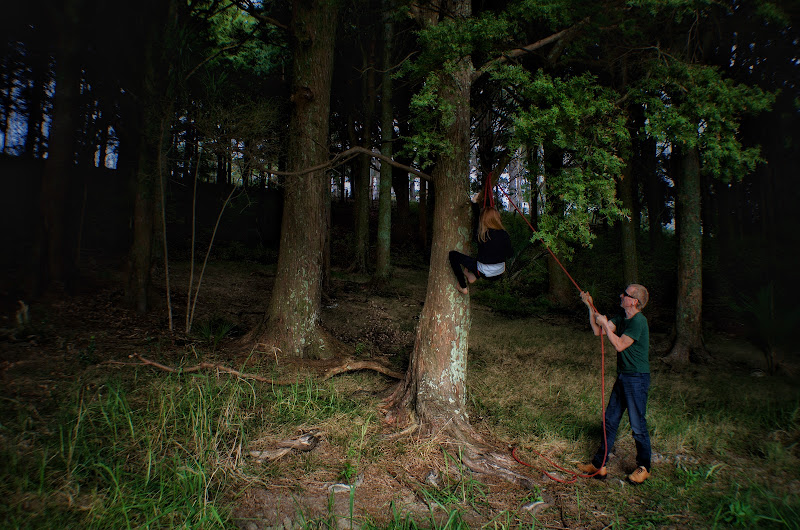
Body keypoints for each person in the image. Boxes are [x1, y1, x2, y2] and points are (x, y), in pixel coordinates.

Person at [578, 284, 652, 484]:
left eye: (625, 294)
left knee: (637, 425)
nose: (621, 295)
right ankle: (599, 465)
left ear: (634, 301)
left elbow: (619, 345)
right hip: (623, 377)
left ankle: (644, 467)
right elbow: (598, 331)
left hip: (637, 378)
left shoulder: (639, 321)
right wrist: (590, 306)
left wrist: (603, 322)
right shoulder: (622, 318)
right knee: (610, 421)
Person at [448, 206, 512, 295]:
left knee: (453, 255)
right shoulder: (505, 234)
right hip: (500, 272)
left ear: (483, 220)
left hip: (485, 272)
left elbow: (476, 223)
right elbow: (510, 254)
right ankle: (473, 276)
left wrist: (476, 207)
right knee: (481, 260)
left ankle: (463, 286)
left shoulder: (482, 235)